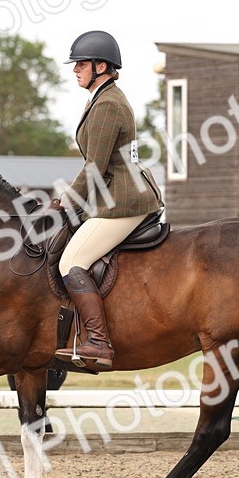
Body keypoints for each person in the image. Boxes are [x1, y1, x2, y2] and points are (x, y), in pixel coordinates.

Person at [51, 30, 163, 370]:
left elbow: (95, 167)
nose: (75, 70)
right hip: (113, 194)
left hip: (123, 201)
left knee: (71, 262)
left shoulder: (109, 104)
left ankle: (98, 342)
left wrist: (66, 203)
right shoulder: (101, 98)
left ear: (102, 66)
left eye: (81, 64)